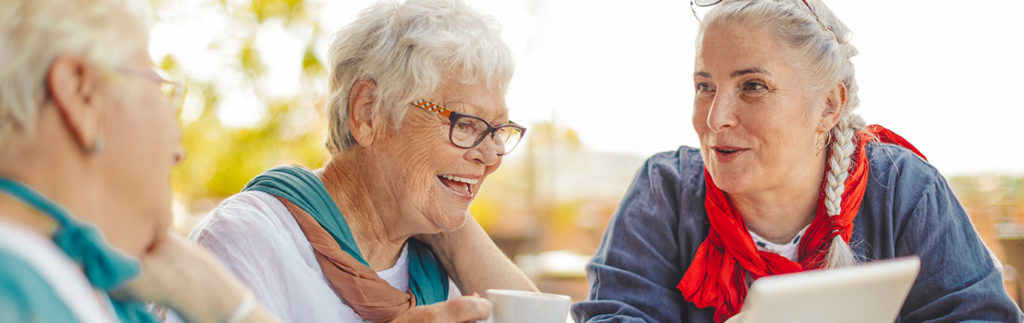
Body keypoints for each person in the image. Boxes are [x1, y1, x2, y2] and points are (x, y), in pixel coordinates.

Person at [572, 0, 1024, 322]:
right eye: (705, 86)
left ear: (829, 105)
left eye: (752, 86)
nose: (715, 118)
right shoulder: (663, 190)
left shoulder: (902, 190)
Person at [178, 0, 538, 322]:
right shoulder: (250, 240)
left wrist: (457, 236)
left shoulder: (443, 269)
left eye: (496, 130)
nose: (490, 157)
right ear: (368, 113)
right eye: (467, 123)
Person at [0, 0, 280, 322]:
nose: (179, 153)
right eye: (159, 90)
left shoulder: (79, 284)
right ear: (82, 94)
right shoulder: (17, 294)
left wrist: (211, 294)